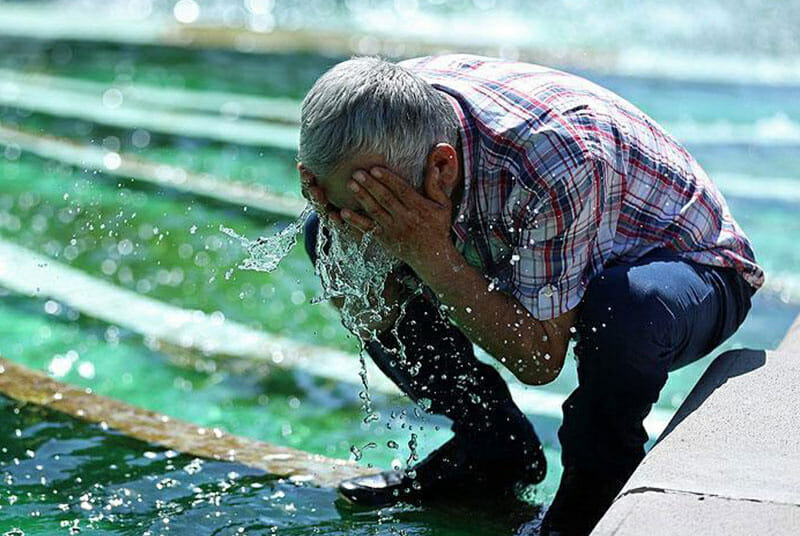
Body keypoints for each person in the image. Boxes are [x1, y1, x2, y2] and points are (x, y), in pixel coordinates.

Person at [297, 55, 762, 535]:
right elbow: (367, 292)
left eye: (373, 209)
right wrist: (341, 226)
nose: (353, 219)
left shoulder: (556, 159)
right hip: (539, 229)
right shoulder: (367, 116)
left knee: (625, 308)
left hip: (692, 272)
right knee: (328, 241)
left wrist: (428, 252)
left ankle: (593, 494)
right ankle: (492, 448)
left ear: (440, 167)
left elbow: (540, 359)